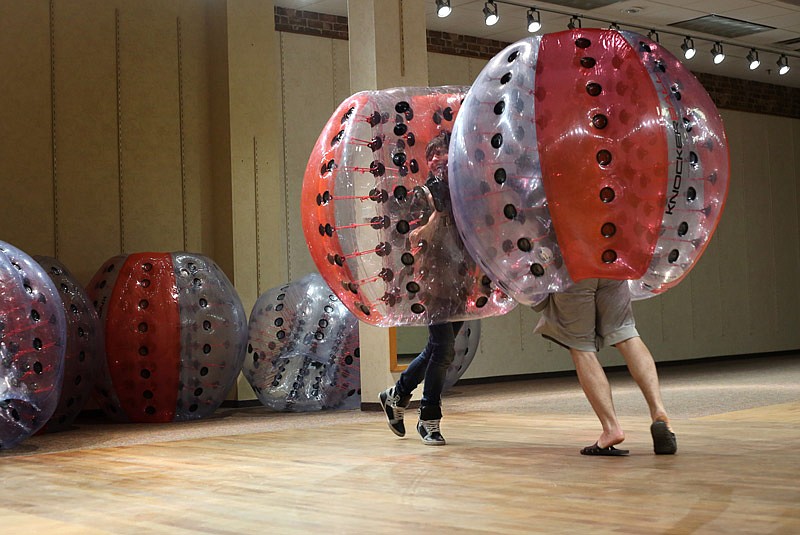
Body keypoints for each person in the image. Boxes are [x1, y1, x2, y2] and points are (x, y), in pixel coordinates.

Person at [379, 131, 464, 446]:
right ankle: (429, 418)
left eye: (446, 153)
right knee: (443, 350)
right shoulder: (422, 195)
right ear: (428, 160)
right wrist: (438, 215)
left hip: (460, 281)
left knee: (436, 350)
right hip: (430, 282)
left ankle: (397, 394)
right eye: (435, 154)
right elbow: (413, 240)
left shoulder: (461, 194)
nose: (441, 159)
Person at [533, 278, 678, 456]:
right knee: (626, 334)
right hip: (611, 264)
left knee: (581, 348)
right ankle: (659, 413)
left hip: (574, 268)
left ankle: (611, 429)